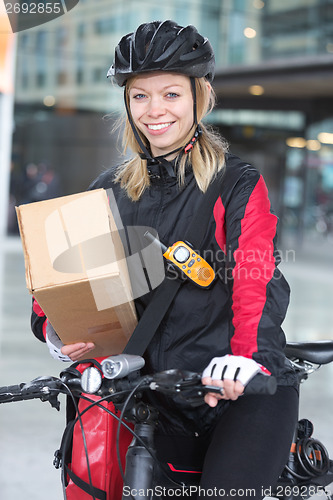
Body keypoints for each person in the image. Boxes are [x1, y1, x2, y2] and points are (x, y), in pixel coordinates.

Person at [31, 20, 298, 500]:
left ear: (200, 97)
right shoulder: (106, 190)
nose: (155, 111)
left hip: (237, 390)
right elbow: (64, 282)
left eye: (171, 94)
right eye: (140, 97)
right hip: (149, 394)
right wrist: (56, 328)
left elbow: (255, 276)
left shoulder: (235, 182)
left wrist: (245, 358)